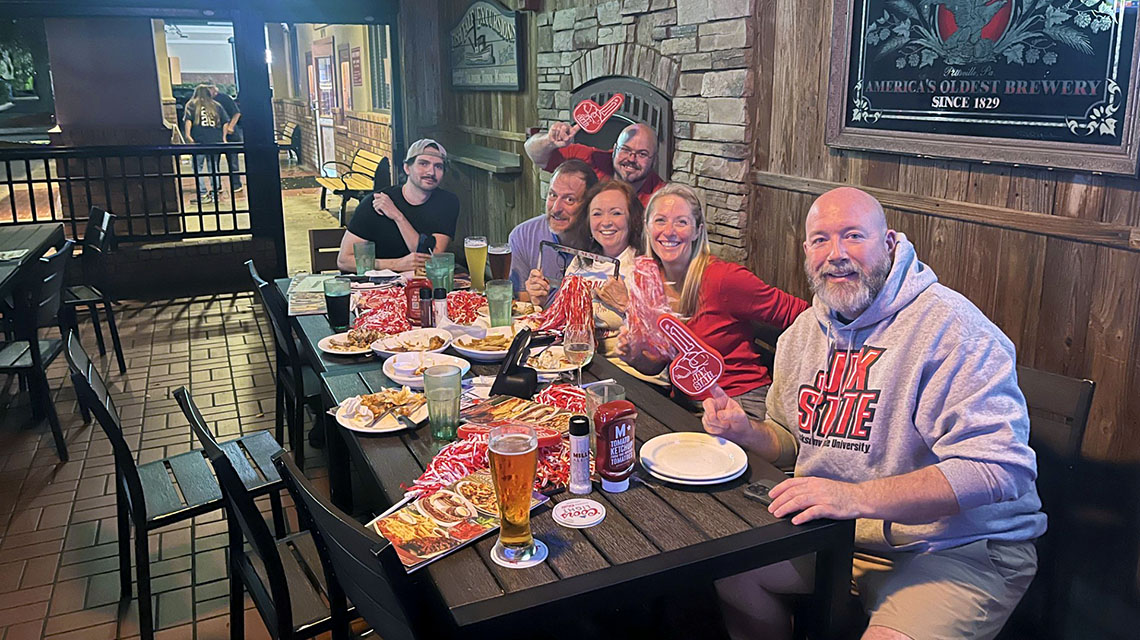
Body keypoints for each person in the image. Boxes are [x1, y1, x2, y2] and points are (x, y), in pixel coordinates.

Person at [704, 187, 1045, 640]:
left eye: (853, 236)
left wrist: (854, 497)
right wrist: (748, 431)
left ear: (888, 243)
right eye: (821, 240)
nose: (837, 254)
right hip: (838, 537)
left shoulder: (953, 329)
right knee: (732, 569)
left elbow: (1000, 470)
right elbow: (790, 438)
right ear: (806, 251)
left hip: (958, 548)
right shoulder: (803, 334)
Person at [616, 183, 808, 431]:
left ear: (698, 231)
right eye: (660, 220)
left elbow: (803, 314)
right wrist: (633, 354)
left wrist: (797, 380)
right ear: (648, 228)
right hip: (686, 403)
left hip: (739, 404)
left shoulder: (722, 278)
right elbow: (658, 364)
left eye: (681, 222)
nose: (669, 231)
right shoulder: (648, 279)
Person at [525, 180, 643, 355]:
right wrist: (538, 303)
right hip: (579, 357)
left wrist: (626, 304)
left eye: (616, 213)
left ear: (632, 219)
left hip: (625, 368)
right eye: (597, 214)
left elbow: (660, 336)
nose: (606, 222)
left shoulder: (643, 267)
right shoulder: (581, 261)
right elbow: (562, 323)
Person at [337, 139, 459, 274]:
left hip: (421, 286)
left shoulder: (447, 202)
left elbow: (431, 259)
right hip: (378, 288)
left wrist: (398, 216)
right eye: (423, 163)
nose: (431, 172)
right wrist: (396, 264)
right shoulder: (376, 202)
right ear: (407, 168)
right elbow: (344, 261)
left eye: (438, 166)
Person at [507, 158, 598, 297]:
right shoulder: (522, 236)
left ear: (589, 205)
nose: (556, 209)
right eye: (553, 195)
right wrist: (534, 300)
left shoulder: (603, 241)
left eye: (569, 199)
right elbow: (522, 307)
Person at [524, 121, 664, 207]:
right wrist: (550, 140)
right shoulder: (592, 158)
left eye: (642, 154)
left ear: (654, 160)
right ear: (614, 149)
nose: (632, 159)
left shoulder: (659, 196)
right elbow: (533, 152)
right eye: (626, 150)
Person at [182, 84, 230, 203]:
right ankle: (215, 194)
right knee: (213, 167)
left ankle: (203, 194)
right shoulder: (216, 105)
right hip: (215, 140)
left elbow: (188, 121)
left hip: (199, 140)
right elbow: (225, 122)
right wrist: (223, 138)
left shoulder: (192, 104)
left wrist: (188, 136)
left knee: (197, 167)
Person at [207, 82, 243, 192]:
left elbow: (236, 113)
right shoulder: (205, 101)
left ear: (214, 89)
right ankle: (216, 186)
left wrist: (230, 127)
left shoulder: (225, 99)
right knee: (214, 162)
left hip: (231, 136)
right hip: (215, 136)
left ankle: (236, 184)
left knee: (233, 162)